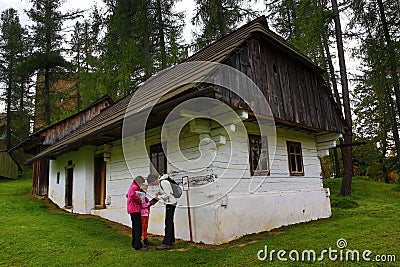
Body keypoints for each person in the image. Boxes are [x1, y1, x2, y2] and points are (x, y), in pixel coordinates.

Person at [147, 173, 177, 250]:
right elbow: (167, 192)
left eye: (152, 183)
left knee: (168, 223)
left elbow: (168, 194)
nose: (153, 185)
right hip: (170, 202)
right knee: (170, 222)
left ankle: (166, 243)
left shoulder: (163, 182)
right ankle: (171, 240)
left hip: (171, 203)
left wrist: (159, 197)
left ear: (154, 180)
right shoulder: (163, 181)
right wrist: (160, 193)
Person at [126, 176, 147, 251]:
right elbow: (132, 195)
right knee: (138, 227)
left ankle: (135, 244)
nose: (141, 184)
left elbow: (127, 195)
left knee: (135, 227)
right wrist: (140, 200)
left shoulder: (132, 186)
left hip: (132, 209)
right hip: (135, 209)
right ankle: (138, 246)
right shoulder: (135, 187)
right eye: (141, 183)